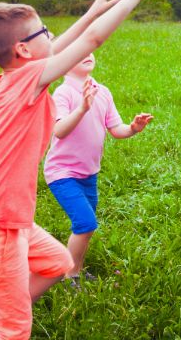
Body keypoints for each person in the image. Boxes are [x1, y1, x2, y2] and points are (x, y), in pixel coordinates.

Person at [0, 0, 173, 340]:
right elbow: (91, 42)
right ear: (22, 49)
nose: (51, 37)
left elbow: (59, 46)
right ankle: (6, 325)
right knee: (17, 331)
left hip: (1, 218)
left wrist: (92, 10)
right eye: (43, 32)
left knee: (56, 262)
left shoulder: (11, 77)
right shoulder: (28, 80)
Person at [44, 51, 154, 288]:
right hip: (62, 173)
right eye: (78, 51)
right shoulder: (63, 93)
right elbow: (59, 130)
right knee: (85, 223)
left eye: (88, 49)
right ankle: (69, 276)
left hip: (88, 174)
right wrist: (82, 108)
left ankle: (77, 269)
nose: (87, 54)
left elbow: (116, 129)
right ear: (64, 65)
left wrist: (133, 128)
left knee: (86, 227)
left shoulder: (102, 91)